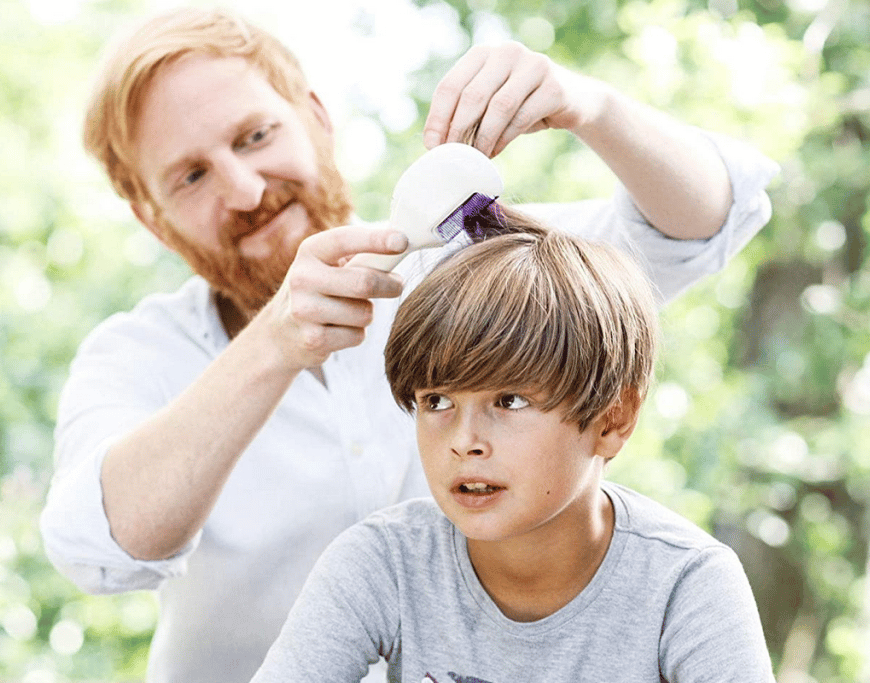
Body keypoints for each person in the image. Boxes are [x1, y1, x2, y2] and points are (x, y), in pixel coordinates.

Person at [39, 6, 779, 683]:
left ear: (316, 119)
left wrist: (590, 106)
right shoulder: (137, 355)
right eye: (192, 174)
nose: (243, 188)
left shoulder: (479, 279)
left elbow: (706, 225)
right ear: (151, 218)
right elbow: (97, 548)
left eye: (255, 136)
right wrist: (274, 344)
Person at [250, 213, 776, 682]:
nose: (464, 442)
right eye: (436, 401)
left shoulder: (686, 584)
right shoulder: (384, 562)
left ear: (612, 420)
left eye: (511, 400)